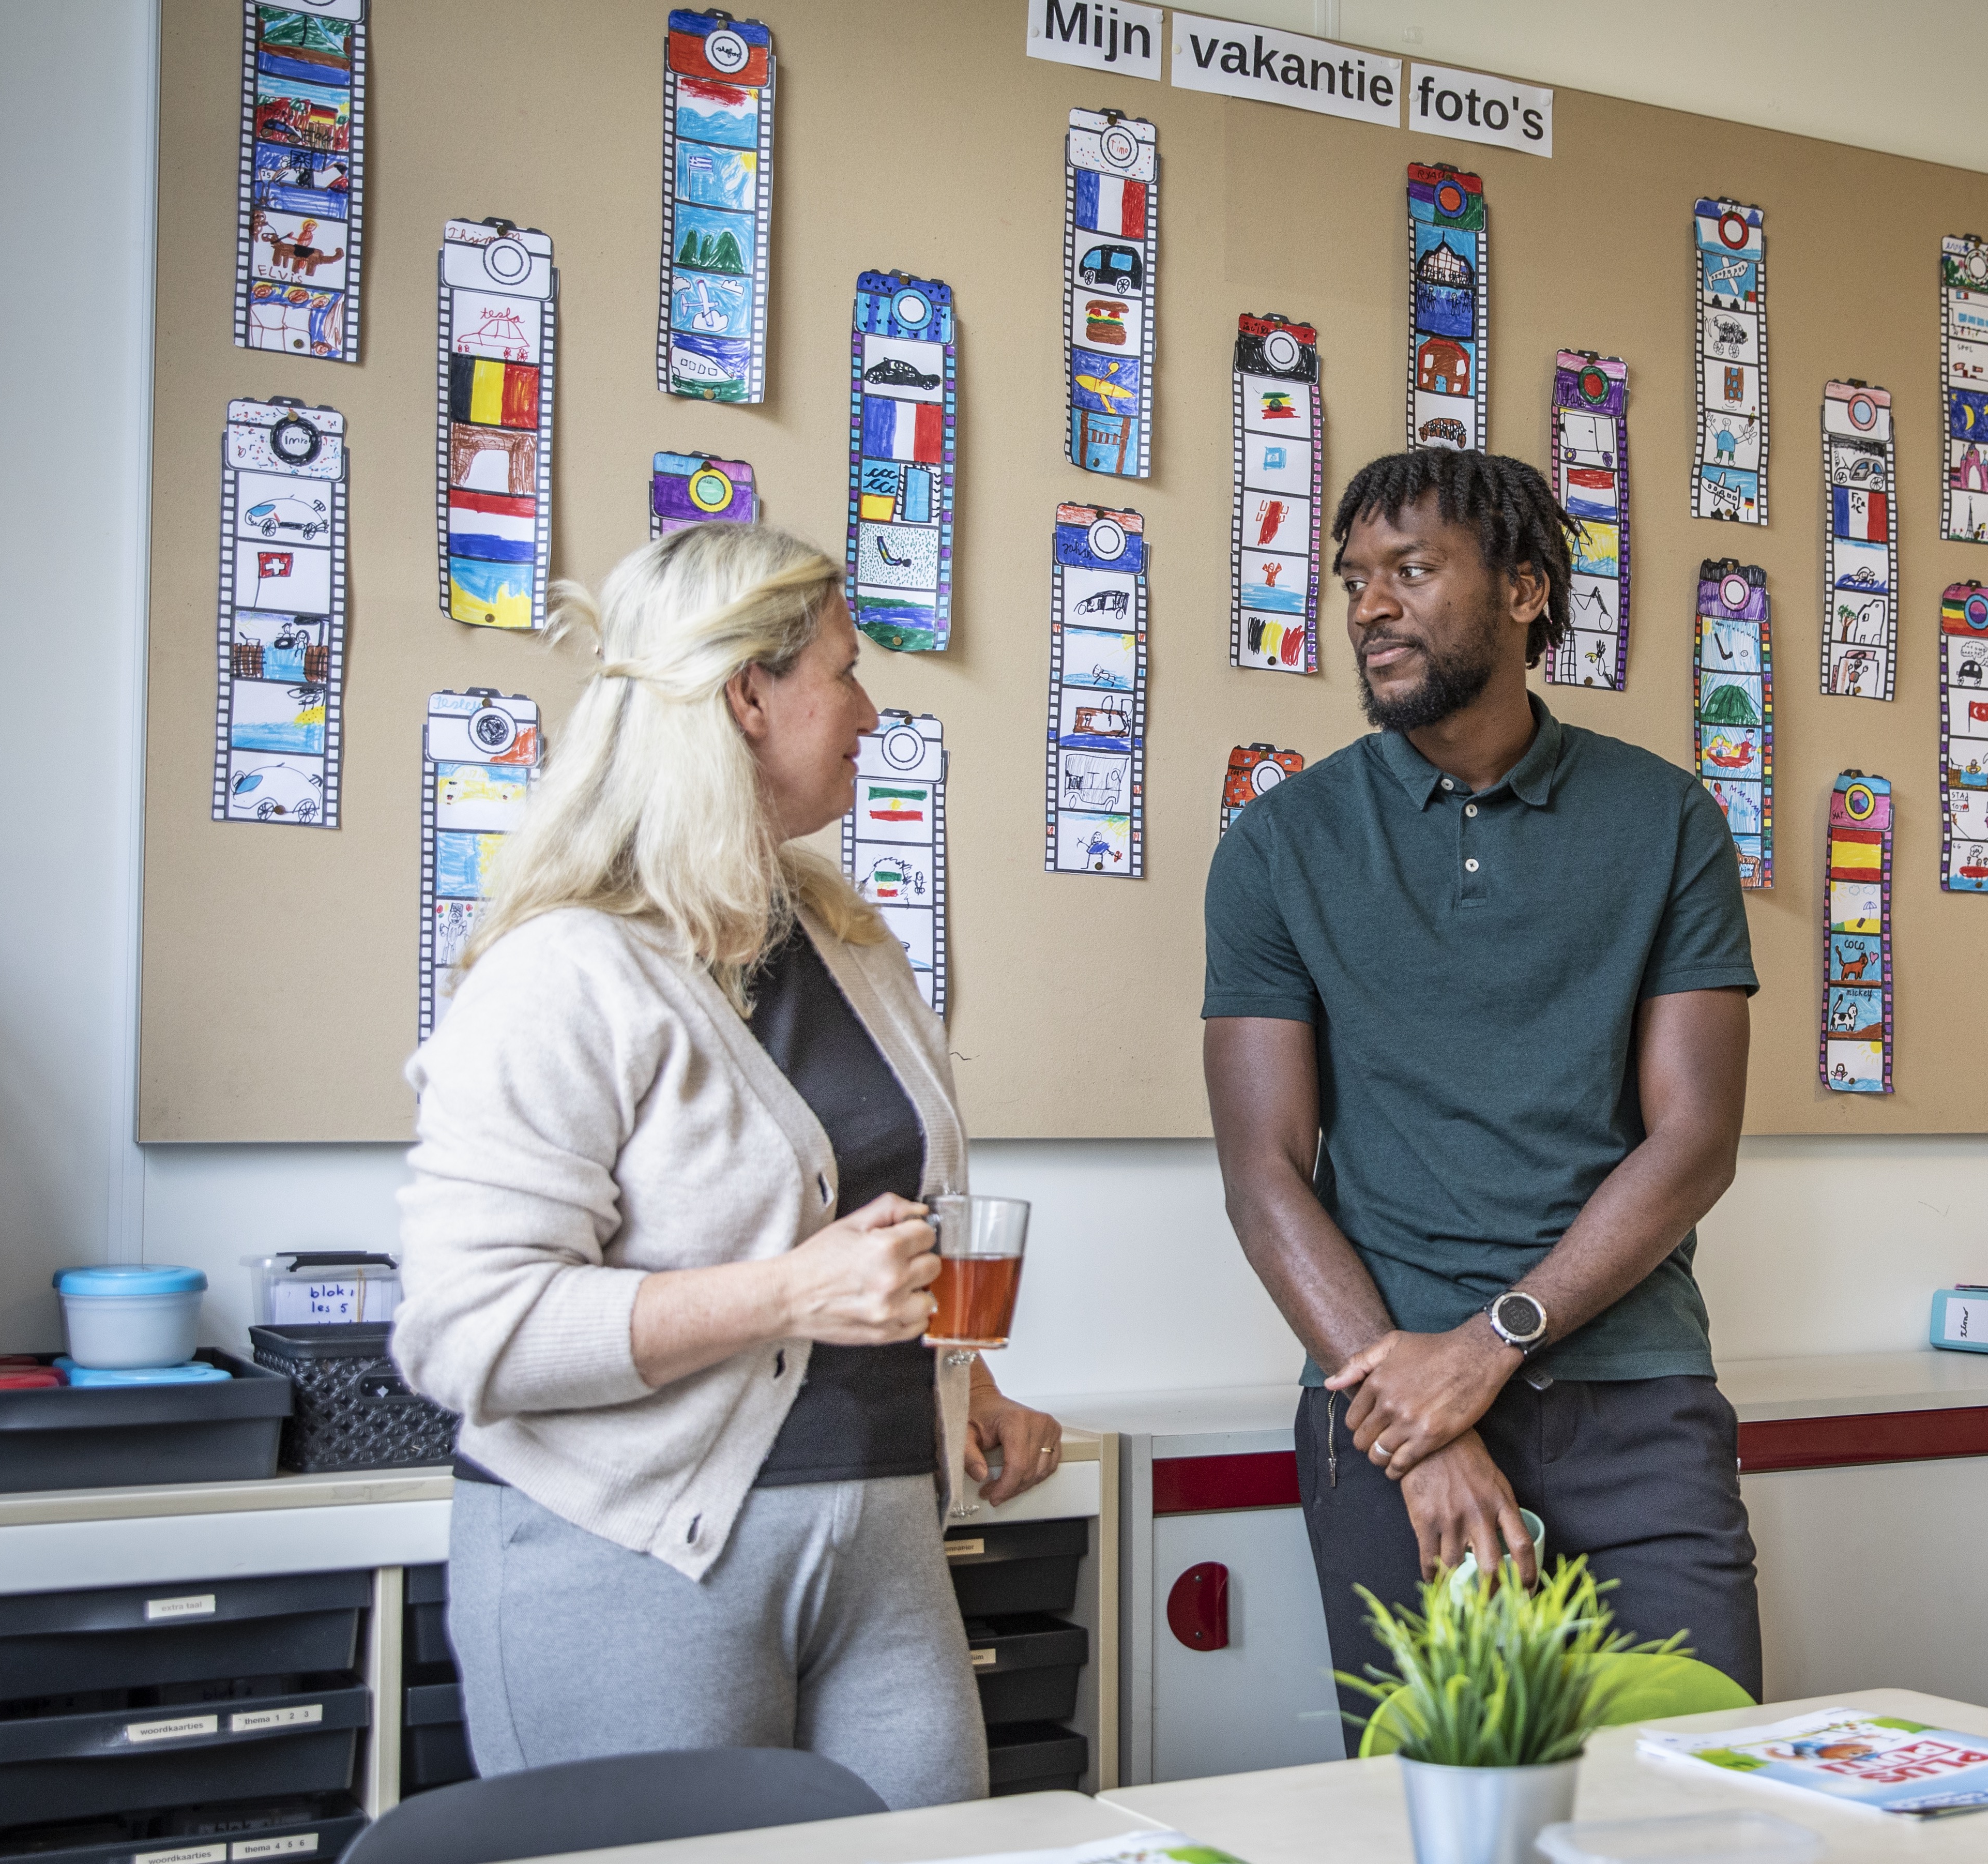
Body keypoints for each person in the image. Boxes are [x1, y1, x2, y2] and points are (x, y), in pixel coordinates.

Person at [393, 524, 1061, 1807]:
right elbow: (466, 1333)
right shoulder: (562, 972)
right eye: (845, 672)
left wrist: (966, 1382)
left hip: (884, 1541)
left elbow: (879, 1229)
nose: (870, 712)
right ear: (750, 695)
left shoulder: (851, 944)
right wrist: (786, 1294)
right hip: (628, 1559)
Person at [1200, 448, 1765, 1703]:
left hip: (1635, 1402)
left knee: (1702, 1784)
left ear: (1521, 589)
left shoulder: (1667, 819)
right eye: (1354, 578)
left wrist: (1491, 1344)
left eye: (1410, 570)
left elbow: (1693, 1140)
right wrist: (1417, 1419)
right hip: (1384, 1407)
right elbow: (1262, 1172)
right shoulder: (1279, 844)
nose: (1369, 607)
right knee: (1439, 1796)